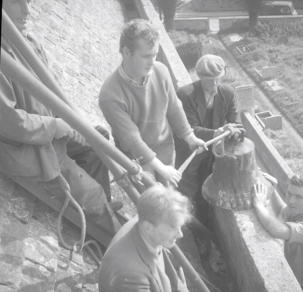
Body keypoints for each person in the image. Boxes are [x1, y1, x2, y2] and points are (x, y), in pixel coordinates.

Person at [1, 0, 119, 223]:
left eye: (28, 1)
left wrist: (69, 123)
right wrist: (56, 127)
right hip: (27, 148)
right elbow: (10, 123)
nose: (27, 11)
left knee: (98, 139)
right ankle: (98, 211)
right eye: (17, 2)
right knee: (93, 195)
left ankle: (102, 208)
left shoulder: (29, 42)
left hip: (48, 132)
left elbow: (51, 87)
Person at [99, 19, 206, 188]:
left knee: (168, 193)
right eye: (146, 56)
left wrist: (190, 137)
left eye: (155, 54)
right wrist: (160, 168)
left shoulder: (160, 71)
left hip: (165, 148)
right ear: (127, 52)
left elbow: (174, 107)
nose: (152, 61)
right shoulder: (110, 95)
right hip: (137, 158)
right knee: (152, 201)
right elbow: (131, 138)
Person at [175, 54, 242, 221]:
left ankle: (204, 220)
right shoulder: (185, 94)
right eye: (209, 80)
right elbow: (190, 129)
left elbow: (238, 124)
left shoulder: (228, 93)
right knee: (187, 194)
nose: (214, 84)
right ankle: (189, 226)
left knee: (208, 194)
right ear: (199, 76)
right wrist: (217, 132)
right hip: (191, 154)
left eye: (217, 79)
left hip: (214, 155)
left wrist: (234, 131)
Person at [99, 184, 192, 292]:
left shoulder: (149, 224)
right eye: (173, 228)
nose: (180, 234)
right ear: (148, 227)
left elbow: (164, 270)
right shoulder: (132, 275)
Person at [253, 175, 303, 287]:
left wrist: (259, 205)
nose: (291, 200)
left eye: (299, 197)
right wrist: (273, 191)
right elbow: (282, 210)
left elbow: (277, 230)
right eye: (289, 194)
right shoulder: (296, 210)